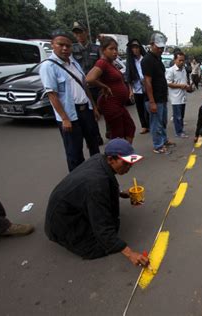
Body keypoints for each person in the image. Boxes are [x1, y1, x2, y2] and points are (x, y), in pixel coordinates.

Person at [45, 138, 149, 267]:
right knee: (100, 245)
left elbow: (107, 183)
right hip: (62, 222)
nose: (129, 167)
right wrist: (130, 253)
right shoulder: (96, 184)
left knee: (108, 213)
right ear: (111, 159)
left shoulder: (100, 159)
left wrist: (120, 193)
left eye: (131, 162)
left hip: (67, 205)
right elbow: (102, 226)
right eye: (126, 163)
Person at [39, 30, 100, 172]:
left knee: (94, 145)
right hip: (70, 116)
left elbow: (84, 86)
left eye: (68, 45)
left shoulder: (74, 63)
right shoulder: (49, 66)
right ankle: (78, 181)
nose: (65, 48)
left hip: (86, 110)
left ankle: (96, 173)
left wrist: (94, 107)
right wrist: (65, 118)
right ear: (52, 45)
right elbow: (52, 94)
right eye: (61, 45)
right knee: (74, 152)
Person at [86, 37, 136, 144]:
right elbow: (89, 79)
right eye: (111, 49)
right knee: (118, 132)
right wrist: (104, 86)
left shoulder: (111, 63)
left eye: (116, 49)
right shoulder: (102, 63)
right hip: (111, 103)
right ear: (103, 50)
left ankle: (124, 153)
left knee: (130, 127)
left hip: (119, 104)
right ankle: (117, 157)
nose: (115, 52)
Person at [71, 21, 105, 145]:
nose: (79, 35)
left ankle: (109, 131)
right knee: (91, 115)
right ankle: (96, 137)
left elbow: (103, 65)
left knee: (105, 110)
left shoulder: (96, 48)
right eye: (76, 33)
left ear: (86, 32)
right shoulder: (72, 49)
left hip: (97, 86)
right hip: (82, 88)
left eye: (80, 32)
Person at [141, 33, 176, 154]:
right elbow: (147, 81)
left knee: (162, 121)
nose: (161, 49)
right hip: (154, 99)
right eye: (158, 47)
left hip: (161, 97)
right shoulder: (147, 60)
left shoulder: (158, 59)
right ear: (151, 45)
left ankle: (164, 140)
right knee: (156, 123)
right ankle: (158, 145)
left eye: (162, 47)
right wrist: (152, 102)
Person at [125, 39, 149, 135]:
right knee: (140, 108)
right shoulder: (130, 61)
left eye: (137, 47)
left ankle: (149, 123)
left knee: (147, 106)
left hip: (147, 87)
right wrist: (130, 91)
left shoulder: (145, 58)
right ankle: (144, 126)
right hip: (137, 88)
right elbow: (128, 77)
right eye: (133, 48)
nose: (135, 50)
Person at [166, 51, 191, 138]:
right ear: (175, 60)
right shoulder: (171, 70)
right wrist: (181, 86)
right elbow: (168, 83)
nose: (182, 62)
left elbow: (184, 81)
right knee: (178, 116)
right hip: (175, 97)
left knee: (182, 115)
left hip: (183, 96)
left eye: (183, 60)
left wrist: (187, 86)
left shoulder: (184, 69)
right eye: (180, 60)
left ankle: (181, 129)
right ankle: (178, 132)